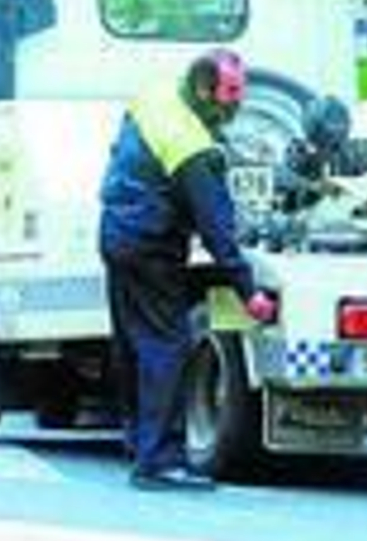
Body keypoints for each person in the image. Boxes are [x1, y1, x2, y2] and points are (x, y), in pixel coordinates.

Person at [99, 49, 276, 491]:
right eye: (230, 94)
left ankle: (137, 441)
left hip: (116, 233)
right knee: (168, 346)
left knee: (133, 345)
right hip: (151, 247)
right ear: (204, 90)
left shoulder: (156, 98)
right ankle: (158, 462)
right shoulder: (190, 145)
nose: (236, 104)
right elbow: (217, 229)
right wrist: (247, 290)